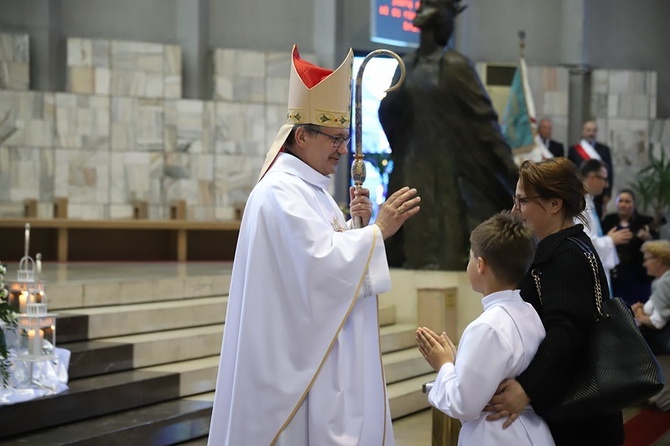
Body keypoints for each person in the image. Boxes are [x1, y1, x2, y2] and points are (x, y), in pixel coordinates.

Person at [207, 46, 421, 445]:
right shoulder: (279, 194)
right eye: (335, 138)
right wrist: (379, 231)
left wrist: (361, 227)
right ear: (302, 135)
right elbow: (319, 267)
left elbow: (327, 259)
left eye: (345, 139)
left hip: (313, 354)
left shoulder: (313, 192)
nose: (342, 149)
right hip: (291, 365)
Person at [486, 157, 625, 445]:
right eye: (515, 200)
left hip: (579, 417)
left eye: (523, 201)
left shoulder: (566, 256)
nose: (515, 210)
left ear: (554, 204)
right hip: (573, 409)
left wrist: (526, 388)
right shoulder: (561, 248)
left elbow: (566, 331)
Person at [378, 0, 518, 271]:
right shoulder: (407, 66)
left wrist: (510, 170)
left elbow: (484, 122)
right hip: (413, 167)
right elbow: (389, 117)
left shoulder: (456, 66)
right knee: (412, 245)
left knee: (447, 245)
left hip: (450, 174)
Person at [416, 212, 554, 445]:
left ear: (480, 265)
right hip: (530, 431)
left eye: (471, 257)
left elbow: (464, 404)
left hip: (498, 435)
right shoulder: (528, 312)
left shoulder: (487, 327)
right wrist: (458, 361)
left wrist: (444, 365)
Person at [578, 159, 632, 290]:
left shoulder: (588, 200)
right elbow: (584, 242)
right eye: (604, 179)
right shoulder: (580, 204)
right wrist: (610, 240)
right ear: (592, 178)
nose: (606, 185)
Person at [633, 240, 670, 411]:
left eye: (647, 258)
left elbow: (658, 321)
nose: (644, 263)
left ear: (659, 261)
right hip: (663, 350)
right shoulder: (662, 281)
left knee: (664, 403)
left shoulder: (664, 283)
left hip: (664, 348)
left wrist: (640, 315)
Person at [602, 189, 657, 304]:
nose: (623, 204)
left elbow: (656, 243)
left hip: (639, 274)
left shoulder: (645, 222)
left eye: (627, 201)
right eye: (620, 201)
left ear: (634, 204)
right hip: (616, 275)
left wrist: (648, 239)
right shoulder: (608, 221)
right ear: (616, 203)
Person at [568, 119, 614, 218]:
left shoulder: (604, 149)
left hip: (598, 192)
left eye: (594, 130)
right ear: (583, 131)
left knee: (596, 216)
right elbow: (570, 172)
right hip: (580, 190)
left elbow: (609, 172)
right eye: (588, 130)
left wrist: (608, 193)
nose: (591, 133)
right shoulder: (574, 150)